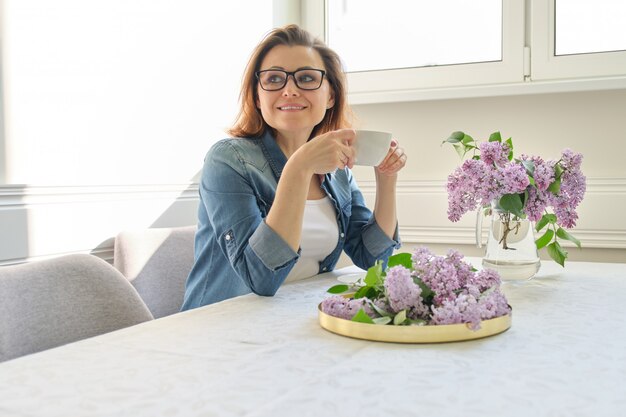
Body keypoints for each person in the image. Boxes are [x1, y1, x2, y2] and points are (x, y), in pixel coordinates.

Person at [181, 24, 407, 310]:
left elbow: (373, 260)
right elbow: (259, 278)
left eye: (307, 78)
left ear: (330, 96)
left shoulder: (337, 173)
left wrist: (387, 180)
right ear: (257, 95)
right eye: (274, 78)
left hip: (293, 323)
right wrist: (299, 168)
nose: (289, 90)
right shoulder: (228, 160)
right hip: (218, 328)